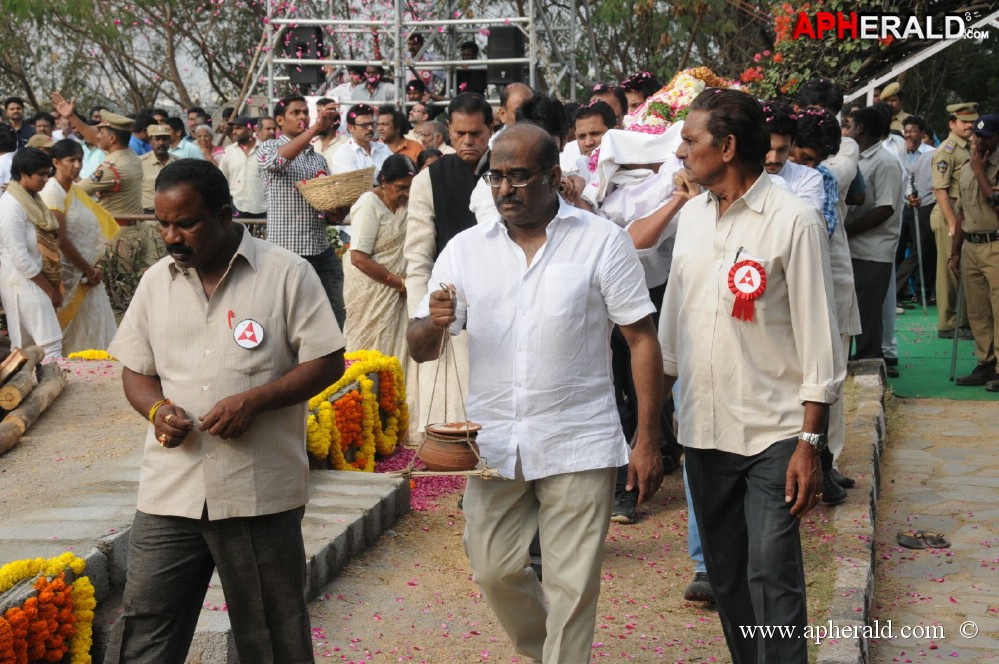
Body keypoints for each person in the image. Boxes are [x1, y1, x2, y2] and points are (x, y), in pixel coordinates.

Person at [407, 123, 664, 663]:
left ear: (554, 177)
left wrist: (647, 438)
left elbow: (641, 338)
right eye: (497, 177)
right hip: (494, 441)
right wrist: (433, 322)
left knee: (573, 584)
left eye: (519, 177)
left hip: (578, 437)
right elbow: (422, 347)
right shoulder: (465, 250)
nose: (505, 189)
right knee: (494, 568)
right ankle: (543, 651)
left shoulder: (601, 241)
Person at [104, 158, 345, 664]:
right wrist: (157, 410)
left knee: (272, 636)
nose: (171, 236)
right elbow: (136, 370)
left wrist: (256, 401)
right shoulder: (156, 281)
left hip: (257, 491)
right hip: (172, 490)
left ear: (225, 214)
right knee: (145, 627)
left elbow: (327, 361)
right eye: (162, 222)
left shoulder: (286, 273)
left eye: (185, 223)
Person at [659, 89, 843, 664]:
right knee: (729, 574)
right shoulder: (690, 218)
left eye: (691, 140)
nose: (681, 150)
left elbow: (820, 340)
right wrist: (651, 427)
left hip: (776, 430)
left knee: (773, 570)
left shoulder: (795, 220)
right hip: (704, 429)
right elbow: (672, 330)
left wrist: (810, 444)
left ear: (728, 146)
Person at [404, 93, 492, 439]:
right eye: (460, 134)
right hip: (449, 303)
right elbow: (418, 256)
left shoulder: (508, 171)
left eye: (476, 133)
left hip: (505, 303)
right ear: (448, 133)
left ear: (490, 129)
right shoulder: (429, 179)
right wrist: (422, 316)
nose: (468, 141)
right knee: (451, 409)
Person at [258, 94, 346, 327]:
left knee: (336, 312)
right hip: (287, 251)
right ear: (279, 120)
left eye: (305, 112)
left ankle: (335, 360)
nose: (303, 117)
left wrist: (341, 207)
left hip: (320, 247)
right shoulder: (268, 147)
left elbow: (329, 210)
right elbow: (276, 163)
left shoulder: (318, 159)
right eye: (295, 112)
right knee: (290, 318)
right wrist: (316, 128)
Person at [39, 139, 118, 353]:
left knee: (92, 327)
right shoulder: (52, 191)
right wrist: (89, 270)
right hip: (68, 275)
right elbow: (61, 239)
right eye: (71, 160)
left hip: (87, 274)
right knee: (68, 336)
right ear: (55, 162)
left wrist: (94, 268)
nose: (77, 165)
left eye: (80, 160)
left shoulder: (74, 191)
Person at [343, 154, 414, 360]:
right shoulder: (369, 204)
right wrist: (398, 283)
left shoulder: (405, 205)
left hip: (398, 292)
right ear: (384, 181)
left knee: (398, 348)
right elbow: (358, 257)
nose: (407, 194)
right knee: (368, 352)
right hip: (372, 291)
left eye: (410, 188)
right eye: (401, 188)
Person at [0, 148, 63, 359]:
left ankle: (33, 389)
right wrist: (51, 291)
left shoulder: (32, 199)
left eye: (48, 173)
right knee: (50, 345)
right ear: (24, 174)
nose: (46, 179)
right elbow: (20, 258)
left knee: (25, 349)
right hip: (24, 282)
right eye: (41, 174)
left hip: (30, 281)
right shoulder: (11, 206)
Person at [952, 114, 999, 390]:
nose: (979, 141)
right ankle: (985, 363)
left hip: (995, 243)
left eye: (986, 137)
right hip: (971, 244)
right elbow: (962, 211)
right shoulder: (968, 165)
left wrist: (981, 173)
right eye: (977, 135)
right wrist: (955, 251)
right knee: (978, 311)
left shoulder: (983, 166)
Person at [931, 102, 978, 340]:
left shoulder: (972, 146)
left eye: (972, 121)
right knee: (949, 268)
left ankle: (964, 321)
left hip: (967, 214)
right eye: (964, 121)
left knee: (965, 268)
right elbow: (940, 189)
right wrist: (951, 223)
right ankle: (948, 324)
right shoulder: (946, 150)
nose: (970, 125)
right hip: (949, 212)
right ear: (952, 124)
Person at [896, 116, 936, 307]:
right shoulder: (900, 152)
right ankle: (897, 291)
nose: (909, 135)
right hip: (905, 206)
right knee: (908, 249)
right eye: (906, 131)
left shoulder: (931, 153)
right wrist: (908, 196)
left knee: (923, 250)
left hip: (925, 206)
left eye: (913, 131)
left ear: (922, 133)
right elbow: (901, 178)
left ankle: (923, 292)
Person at [218, 116, 267, 219]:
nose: (234, 132)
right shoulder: (229, 152)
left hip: (264, 208)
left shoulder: (265, 150)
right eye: (233, 129)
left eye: (238, 128)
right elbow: (222, 179)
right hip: (237, 207)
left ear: (250, 130)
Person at [331, 104, 391, 177]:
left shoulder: (384, 148)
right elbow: (355, 185)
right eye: (364, 125)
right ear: (350, 128)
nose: (370, 128)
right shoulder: (343, 154)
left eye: (372, 124)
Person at [139, 124, 177, 213]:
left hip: (173, 214)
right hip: (149, 216)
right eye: (157, 139)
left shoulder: (178, 162)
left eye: (165, 139)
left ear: (169, 141)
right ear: (150, 141)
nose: (161, 143)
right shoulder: (140, 163)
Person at [310, 99, 348, 169]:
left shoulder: (345, 144)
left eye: (323, 115)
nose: (318, 118)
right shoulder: (310, 142)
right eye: (318, 112)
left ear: (332, 122)